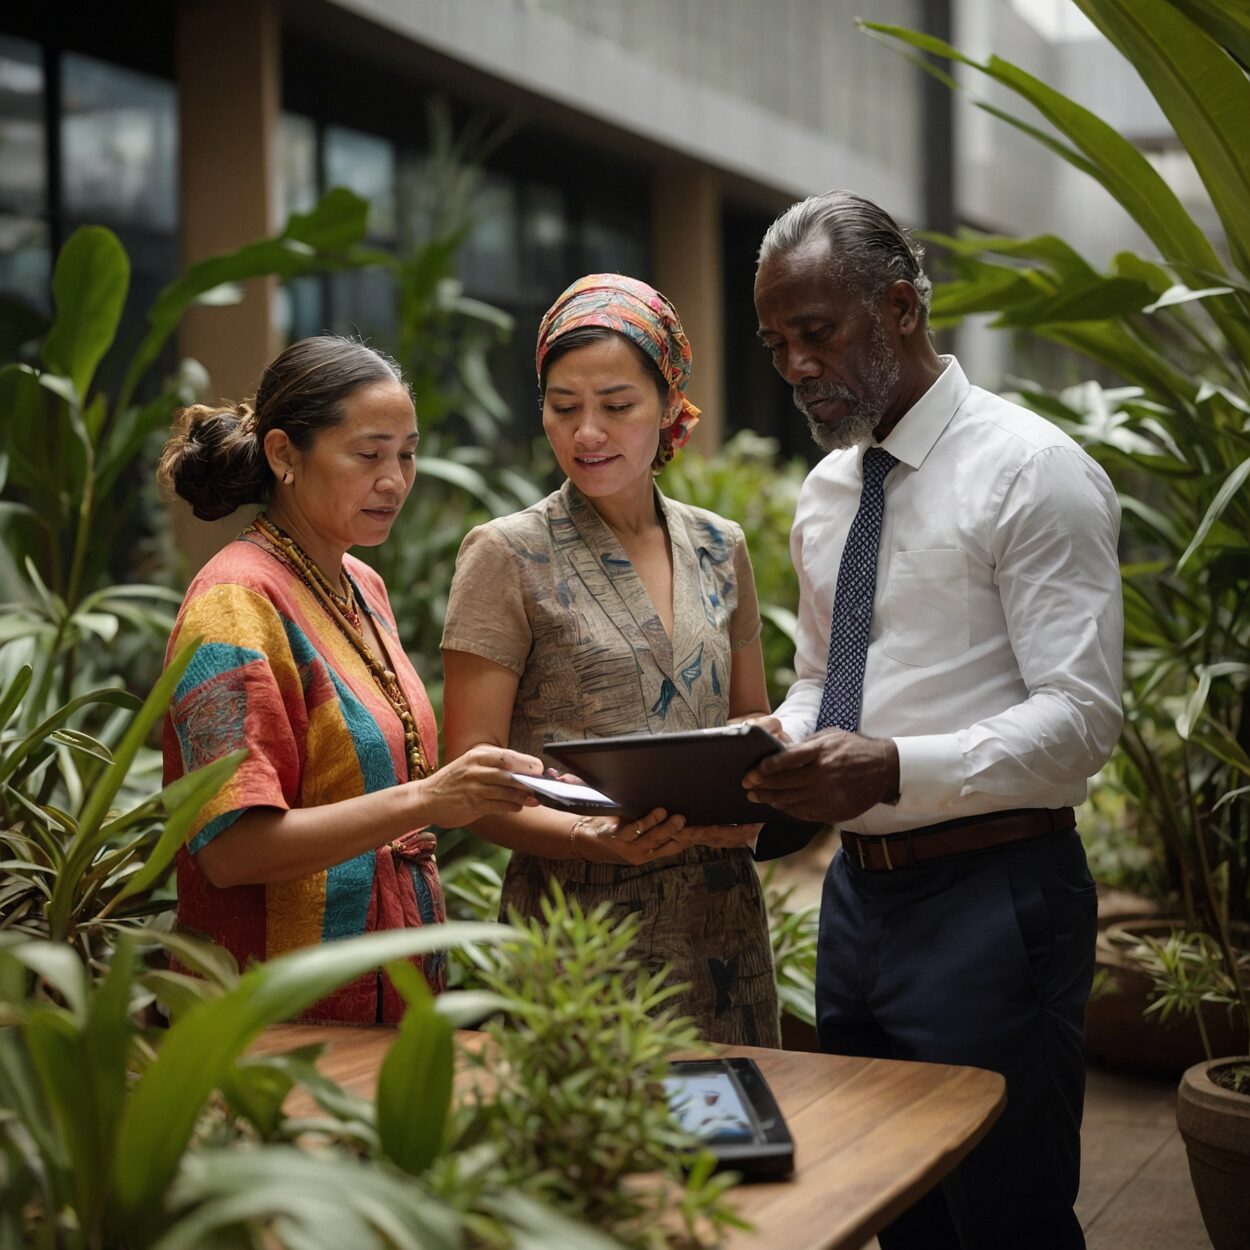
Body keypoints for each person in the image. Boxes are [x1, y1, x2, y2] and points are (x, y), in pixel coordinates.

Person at [741, 192, 1123, 1250]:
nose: (794, 366)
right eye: (776, 343)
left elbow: (1082, 720)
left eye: (815, 333)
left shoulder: (1030, 470)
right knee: (895, 1212)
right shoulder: (826, 491)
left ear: (899, 308)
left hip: (996, 900)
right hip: (857, 906)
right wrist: (777, 739)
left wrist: (889, 765)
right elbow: (824, 675)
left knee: (1006, 1215)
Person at [157, 335, 544, 1023]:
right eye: (368, 454)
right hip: (271, 1017)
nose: (393, 479)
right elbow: (231, 850)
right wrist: (426, 798)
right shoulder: (235, 604)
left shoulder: (359, 583)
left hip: (386, 998)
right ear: (284, 455)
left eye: (407, 453)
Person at [440, 274, 781, 1047]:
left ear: (668, 407)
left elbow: (749, 718)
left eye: (617, 406)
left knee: (741, 1147)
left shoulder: (717, 545)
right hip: (576, 934)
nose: (588, 432)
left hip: (720, 922)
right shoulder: (507, 555)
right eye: (564, 408)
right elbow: (468, 778)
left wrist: (751, 800)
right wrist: (586, 839)